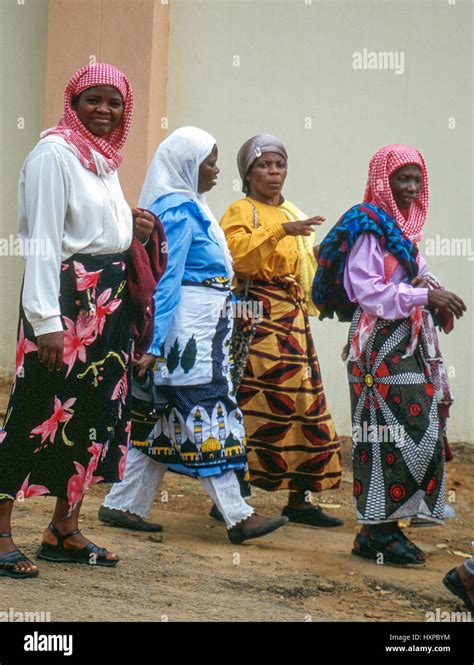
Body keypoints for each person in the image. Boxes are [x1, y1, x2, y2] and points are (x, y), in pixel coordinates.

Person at [0, 63, 156, 578]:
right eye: (94, 99)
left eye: (114, 101)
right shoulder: (54, 154)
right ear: (73, 101)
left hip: (106, 306)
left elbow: (90, 227)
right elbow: (43, 241)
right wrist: (44, 321)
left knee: (92, 417)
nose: (105, 110)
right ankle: (0, 531)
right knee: (36, 412)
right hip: (66, 303)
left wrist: (127, 224)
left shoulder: (101, 160)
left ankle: (62, 529)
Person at [99, 127, 288, 544]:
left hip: (201, 325)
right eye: (210, 161)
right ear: (187, 164)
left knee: (165, 417)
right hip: (188, 334)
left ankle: (123, 503)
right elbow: (165, 281)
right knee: (206, 409)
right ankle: (238, 515)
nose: (217, 170)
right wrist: (152, 341)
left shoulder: (190, 205)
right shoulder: (180, 210)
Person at [313, 144, 466, 565]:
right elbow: (368, 292)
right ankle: (378, 530)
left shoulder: (404, 231)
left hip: (408, 339)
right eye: (403, 178)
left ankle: (383, 529)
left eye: (417, 180)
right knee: (386, 433)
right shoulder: (368, 226)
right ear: (383, 179)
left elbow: (414, 274)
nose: (411, 188)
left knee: (421, 425)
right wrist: (426, 295)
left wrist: (432, 292)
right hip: (377, 344)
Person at [219, 134, 343, 528]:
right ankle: (231, 494)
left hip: (292, 320)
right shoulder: (242, 210)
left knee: (305, 406)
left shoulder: (292, 210)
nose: (273, 173)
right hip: (255, 318)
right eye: (264, 165)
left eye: (279, 165)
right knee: (253, 404)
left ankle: (300, 499)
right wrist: (280, 232)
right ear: (247, 172)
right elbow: (237, 258)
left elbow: (304, 266)